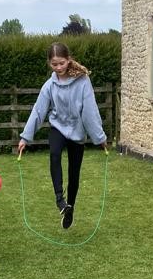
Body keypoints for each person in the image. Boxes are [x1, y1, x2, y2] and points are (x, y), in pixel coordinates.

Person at [18, 43, 107, 230]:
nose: (58, 68)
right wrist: (25, 137)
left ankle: (70, 208)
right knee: (55, 154)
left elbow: (90, 110)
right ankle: (60, 200)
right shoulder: (49, 86)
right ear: (50, 64)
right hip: (57, 127)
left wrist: (99, 137)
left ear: (68, 60)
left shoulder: (83, 81)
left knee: (74, 174)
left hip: (77, 130)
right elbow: (38, 111)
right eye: (54, 64)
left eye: (61, 63)